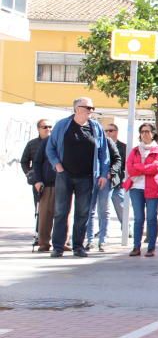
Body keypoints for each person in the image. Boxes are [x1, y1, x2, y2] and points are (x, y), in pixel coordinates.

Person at [45, 98, 110, 258]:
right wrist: (57, 165)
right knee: (61, 211)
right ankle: (58, 247)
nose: (90, 110)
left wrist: (103, 174)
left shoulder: (95, 128)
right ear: (76, 108)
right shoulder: (62, 125)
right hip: (65, 175)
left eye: (92, 107)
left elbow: (103, 153)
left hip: (87, 177)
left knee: (83, 213)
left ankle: (78, 246)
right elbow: (50, 147)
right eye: (87, 107)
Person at [123, 123, 158, 257]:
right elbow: (130, 168)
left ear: (153, 133)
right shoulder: (135, 150)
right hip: (136, 188)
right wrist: (144, 167)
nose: (145, 134)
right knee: (138, 218)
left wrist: (139, 167)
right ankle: (136, 247)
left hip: (153, 187)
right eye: (142, 132)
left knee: (152, 218)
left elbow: (156, 168)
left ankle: (151, 248)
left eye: (147, 131)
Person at [85, 124, 122, 252]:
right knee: (89, 210)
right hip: (90, 179)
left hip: (106, 180)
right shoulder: (88, 141)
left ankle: (102, 240)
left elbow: (117, 159)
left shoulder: (107, 141)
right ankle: (89, 240)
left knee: (103, 210)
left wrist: (110, 173)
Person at [21, 119, 51, 245]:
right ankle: (40, 236)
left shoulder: (54, 142)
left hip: (54, 180)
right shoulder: (32, 144)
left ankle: (58, 237)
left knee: (57, 210)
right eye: (45, 127)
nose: (48, 129)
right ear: (38, 129)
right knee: (40, 209)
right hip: (39, 182)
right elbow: (24, 161)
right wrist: (31, 175)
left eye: (50, 126)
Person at [31, 134, 58, 253]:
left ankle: (63, 242)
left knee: (63, 215)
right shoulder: (47, 141)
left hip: (64, 184)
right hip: (47, 184)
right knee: (45, 215)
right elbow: (36, 162)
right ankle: (44, 243)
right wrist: (37, 180)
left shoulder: (70, 140)